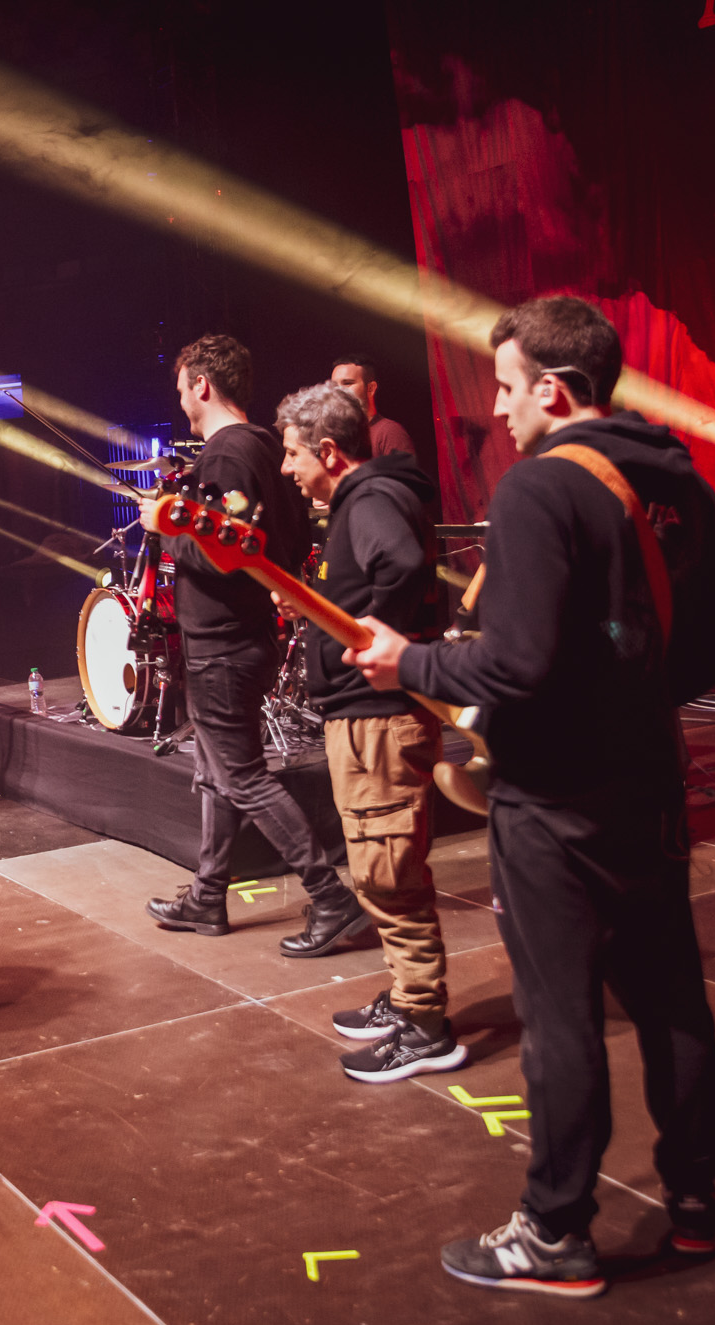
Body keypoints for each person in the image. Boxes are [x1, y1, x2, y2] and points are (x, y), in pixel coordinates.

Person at [351, 295, 715, 1298]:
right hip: (647, 782)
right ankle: (694, 1196)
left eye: (506, 388)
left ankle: (554, 1230)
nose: (496, 409)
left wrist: (410, 661)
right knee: (669, 996)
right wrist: (636, 698)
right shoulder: (673, 477)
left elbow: (519, 663)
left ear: (556, 389)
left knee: (560, 1012)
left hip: (552, 795)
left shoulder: (538, 488)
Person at [137, 335, 366, 954]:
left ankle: (332, 899)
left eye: (182, 387)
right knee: (216, 774)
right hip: (241, 637)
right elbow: (280, 545)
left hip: (224, 642)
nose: (180, 399)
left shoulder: (228, 454)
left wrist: (165, 528)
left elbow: (226, 555)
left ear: (201, 385)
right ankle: (208, 896)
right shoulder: (264, 447)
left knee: (241, 776)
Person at [274, 381, 464, 1081]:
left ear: (328, 451)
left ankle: (424, 1024)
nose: (288, 470)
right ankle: (408, 996)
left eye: (294, 454)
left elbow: (403, 566)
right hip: (368, 718)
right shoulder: (371, 498)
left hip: (377, 721)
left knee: (387, 872)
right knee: (382, 866)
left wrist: (378, 637)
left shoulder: (370, 500)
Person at [330, 354, 419, 461]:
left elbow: (404, 472)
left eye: (347, 383)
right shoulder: (333, 434)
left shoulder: (389, 432)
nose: (338, 390)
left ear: (371, 388)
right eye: (334, 385)